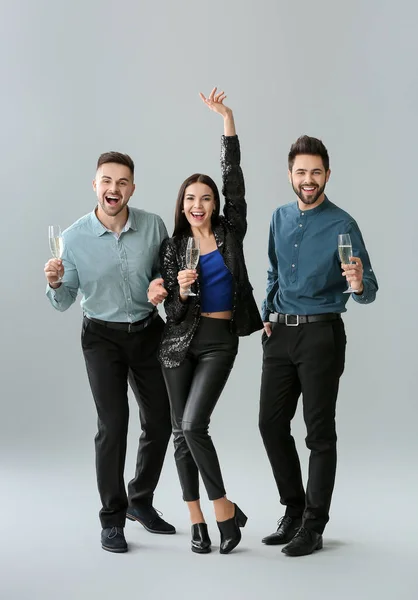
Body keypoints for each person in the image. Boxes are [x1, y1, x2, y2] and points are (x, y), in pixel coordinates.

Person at [44, 151, 175, 553]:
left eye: (121, 182)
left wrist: (159, 283)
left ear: (132, 188)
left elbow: (166, 270)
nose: (113, 189)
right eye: (106, 180)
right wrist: (54, 283)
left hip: (148, 332)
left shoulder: (153, 226)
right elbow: (64, 300)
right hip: (102, 337)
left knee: (161, 421)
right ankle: (112, 518)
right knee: (113, 426)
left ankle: (140, 500)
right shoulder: (74, 236)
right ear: (95, 185)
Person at [259, 135, 378, 557]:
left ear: (327, 174)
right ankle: (293, 509)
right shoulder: (278, 217)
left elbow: (369, 289)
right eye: (300, 172)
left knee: (318, 434)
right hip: (280, 334)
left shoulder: (343, 224)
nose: (308, 180)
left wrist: (359, 283)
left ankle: (313, 525)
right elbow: (273, 271)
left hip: (321, 335)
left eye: (315, 172)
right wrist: (267, 313)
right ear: (290, 175)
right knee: (270, 425)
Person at [158, 88, 263, 555]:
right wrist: (178, 292)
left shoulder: (229, 232)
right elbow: (171, 314)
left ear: (215, 204)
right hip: (177, 344)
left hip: (221, 340)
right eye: (190, 199)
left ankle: (224, 507)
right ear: (181, 205)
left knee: (195, 423)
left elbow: (233, 179)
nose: (198, 204)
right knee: (181, 432)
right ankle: (197, 519)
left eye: (206, 198)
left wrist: (228, 121)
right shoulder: (171, 248)